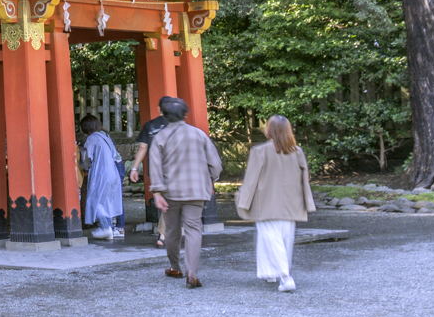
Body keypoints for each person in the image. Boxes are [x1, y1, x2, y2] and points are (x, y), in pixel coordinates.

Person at [146, 97, 222, 288]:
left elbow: (154, 168)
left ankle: (175, 267)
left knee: (172, 231)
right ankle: (192, 273)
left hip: (170, 192)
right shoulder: (199, 134)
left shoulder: (160, 138)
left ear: (163, 115)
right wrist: (210, 178)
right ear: (185, 114)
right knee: (194, 229)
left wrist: (157, 193)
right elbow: (216, 164)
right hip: (197, 190)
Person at [234, 115, 315, 292]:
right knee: (284, 239)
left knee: (271, 238)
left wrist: (243, 201)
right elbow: (304, 179)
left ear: (269, 130)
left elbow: (251, 180)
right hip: (292, 203)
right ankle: (271, 273)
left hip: (266, 203)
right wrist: (306, 202)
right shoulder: (297, 151)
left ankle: (285, 277)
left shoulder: (260, 151)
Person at [129, 99, 173, 245]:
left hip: (155, 169)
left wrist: (134, 168)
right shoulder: (176, 125)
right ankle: (164, 234)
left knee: (164, 200)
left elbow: (143, 147)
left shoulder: (150, 125)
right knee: (173, 201)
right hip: (174, 168)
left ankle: (164, 234)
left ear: (159, 109)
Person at [79, 114, 125, 240]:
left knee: (95, 200)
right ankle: (108, 228)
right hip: (113, 173)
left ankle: (106, 228)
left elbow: (87, 158)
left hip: (101, 174)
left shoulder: (92, 139)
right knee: (107, 202)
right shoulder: (105, 137)